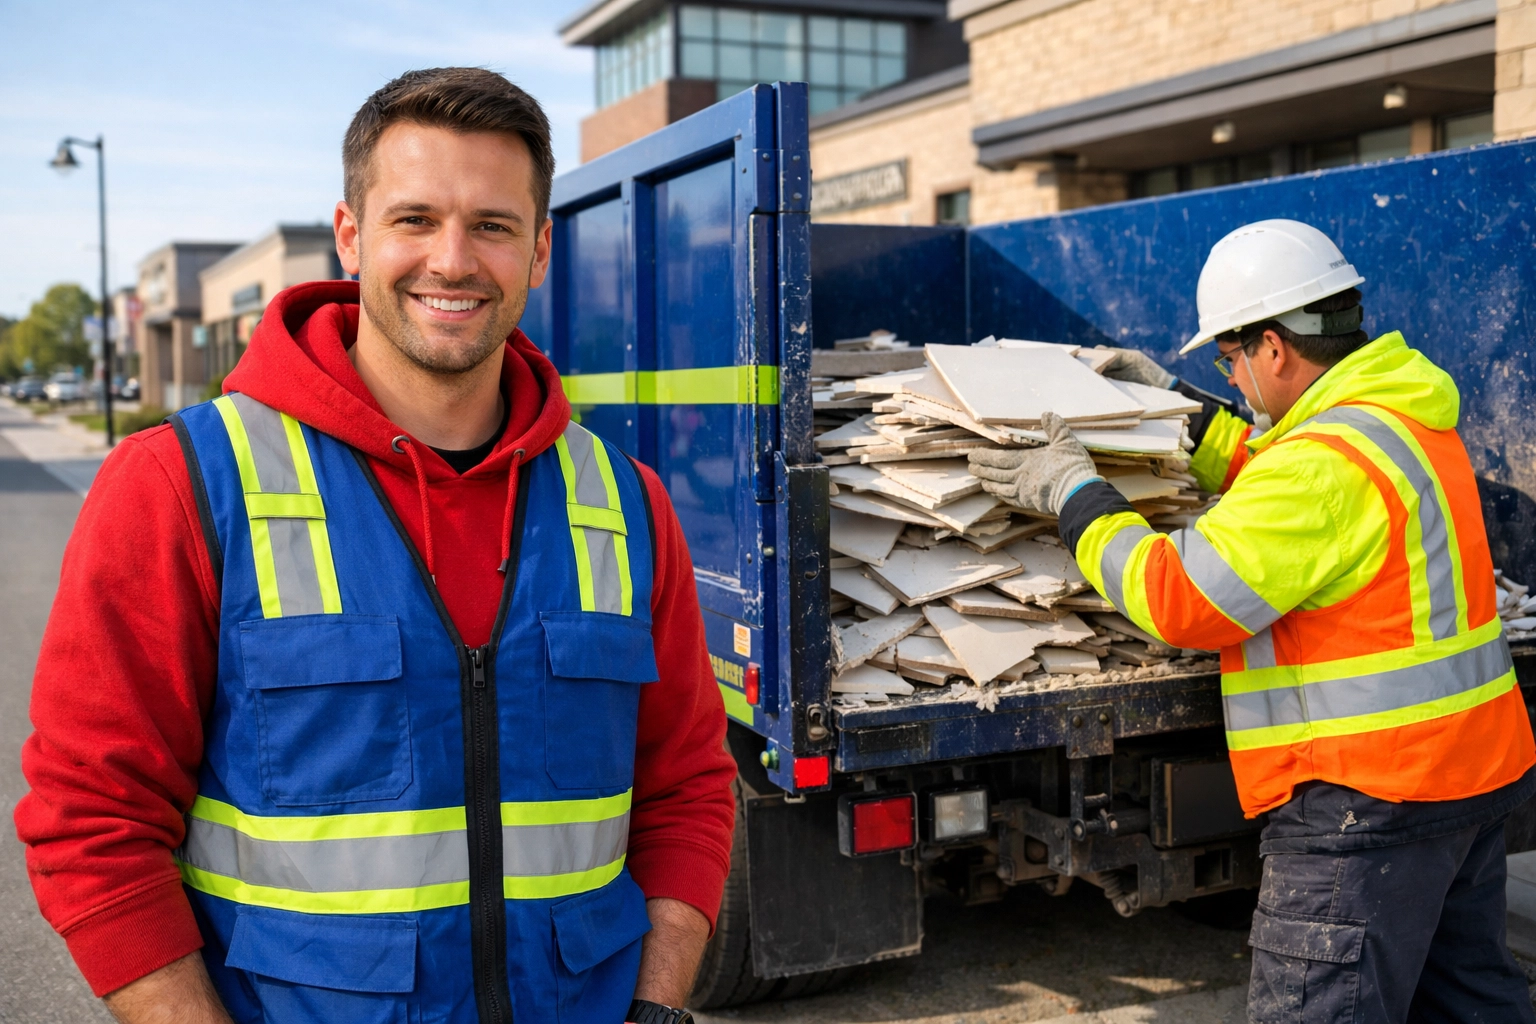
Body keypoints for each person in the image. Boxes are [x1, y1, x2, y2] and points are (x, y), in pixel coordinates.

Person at [15, 67, 735, 1024]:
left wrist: (657, 1004)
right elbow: (91, 822)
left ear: (539, 251)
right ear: (351, 235)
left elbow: (687, 784)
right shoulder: (182, 484)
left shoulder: (624, 502)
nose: (453, 260)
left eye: (492, 225)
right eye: (414, 219)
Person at [970, 218, 1536, 1023]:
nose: (1231, 375)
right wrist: (1183, 412)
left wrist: (1072, 492)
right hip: (1469, 776)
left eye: (1230, 358)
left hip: (1363, 801)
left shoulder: (1319, 467)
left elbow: (1179, 596)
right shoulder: (1401, 414)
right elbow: (1291, 483)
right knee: (1470, 1006)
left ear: (1274, 346)